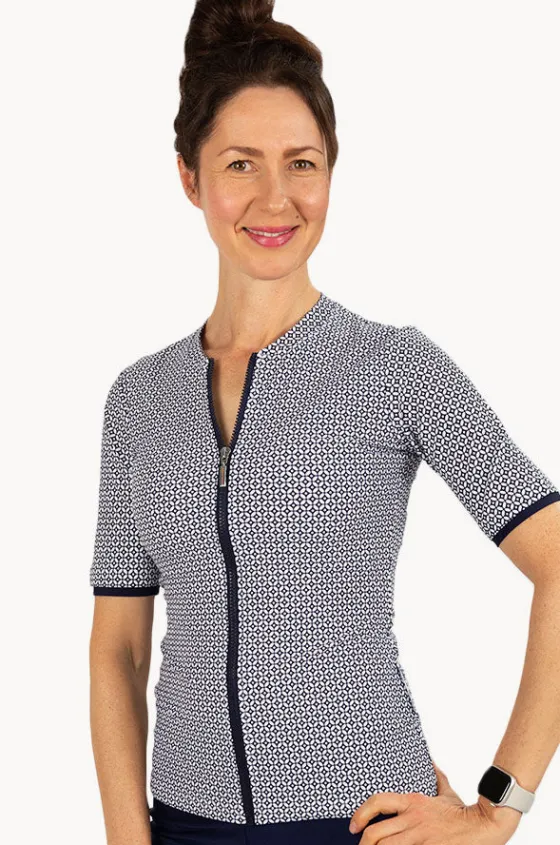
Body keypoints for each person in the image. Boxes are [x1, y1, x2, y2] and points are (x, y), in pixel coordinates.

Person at [88, 2, 560, 844]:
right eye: (241, 163)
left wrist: (499, 807)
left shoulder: (394, 367)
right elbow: (118, 647)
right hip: (185, 822)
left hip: (363, 819)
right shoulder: (139, 399)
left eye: (301, 163)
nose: (276, 198)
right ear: (190, 177)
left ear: (331, 174)